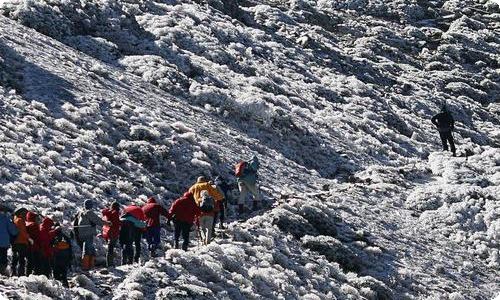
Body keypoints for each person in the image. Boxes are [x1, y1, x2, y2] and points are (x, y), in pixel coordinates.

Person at [75, 200, 106, 271]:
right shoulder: (89, 212)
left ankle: (91, 266)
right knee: (87, 250)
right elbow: (99, 221)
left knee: (91, 249)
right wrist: (108, 223)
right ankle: (86, 267)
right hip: (88, 233)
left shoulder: (81, 212)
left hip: (81, 234)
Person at [0, 205, 18, 275]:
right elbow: (13, 231)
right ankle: (2, 272)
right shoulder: (6, 219)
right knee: (3, 258)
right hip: (3, 243)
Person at [102, 202, 121, 267]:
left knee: (110, 248)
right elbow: (116, 223)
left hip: (108, 232)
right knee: (111, 248)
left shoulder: (109, 213)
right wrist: (121, 223)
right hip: (113, 233)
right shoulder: (115, 213)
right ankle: (110, 264)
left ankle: (109, 264)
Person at [11, 208, 29, 276]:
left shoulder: (15, 220)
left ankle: (14, 272)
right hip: (21, 242)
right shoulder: (20, 220)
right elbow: (23, 232)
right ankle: (20, 273)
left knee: (15, 258)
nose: (25, 215)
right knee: (21, 259)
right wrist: (28, 237)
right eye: (24, 213)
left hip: (16, 242)